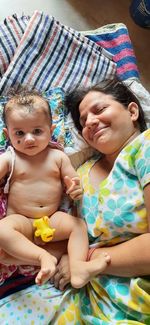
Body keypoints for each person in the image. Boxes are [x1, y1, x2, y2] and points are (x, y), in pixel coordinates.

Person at [0, 80, 150, 325]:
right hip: (77, 293)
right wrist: (22, 255)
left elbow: (79, 237)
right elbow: (64, 236)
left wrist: (83, 259)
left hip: (130, 296)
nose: (89, 122)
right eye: (82, 121)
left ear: (132, 111)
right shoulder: (83, 169)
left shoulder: (146, 147)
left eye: (99, 110)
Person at [0, 88, 110, 288]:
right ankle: (43, 257)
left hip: (52, 219)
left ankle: (78, 267)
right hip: (21, 221)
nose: (29, 139)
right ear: (7, 134)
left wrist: (75, 187)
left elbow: (72, 179)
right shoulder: (10, 158)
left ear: (50, 131)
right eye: (19, 133)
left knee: (78, 226)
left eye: (37, 131)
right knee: (2, 230)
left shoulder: (58, 157)